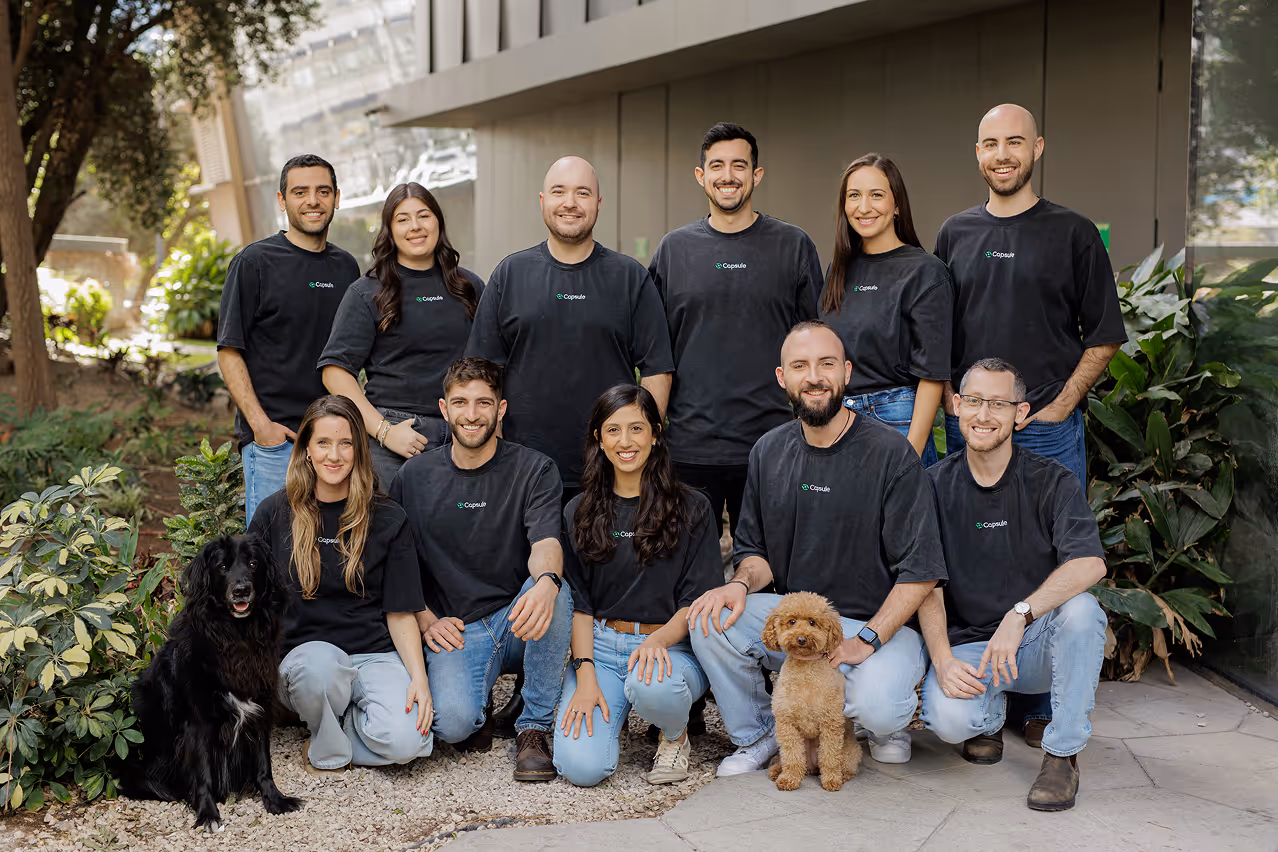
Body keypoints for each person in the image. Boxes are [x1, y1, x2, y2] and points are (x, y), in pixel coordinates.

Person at [935, 103, 1125, 744]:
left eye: (1015, 142)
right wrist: (953, 415)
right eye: (990, 143)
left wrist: (1063, 404)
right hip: (973, 426)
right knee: (977, 555)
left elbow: (1103, 334)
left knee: (1050, 558)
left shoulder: (1072, 232)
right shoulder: (954, 233)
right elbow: (939, 339)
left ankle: (1040, 704)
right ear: (977, 152)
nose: (1002, 154)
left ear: (1038, 147)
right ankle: (989, 689)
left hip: (1045, 423)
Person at [688, 321, 947, 774]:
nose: (815, 376)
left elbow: (921, 570)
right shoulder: (768, 452)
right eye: (800, 365)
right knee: (711, 620)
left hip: (879, 625)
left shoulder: (891, 453)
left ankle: (881, 723)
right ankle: (766, 733)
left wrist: (865, 640)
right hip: (802, 622)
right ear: (782, 377)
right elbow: (757, 554)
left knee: (879, 708)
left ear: (846, 372)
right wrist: (741, 584)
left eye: (827, 364)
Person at [919, 358, 1108, 811]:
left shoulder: (1051, 480)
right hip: (970, 648)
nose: (984, 415)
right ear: (957, 406)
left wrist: (1019, 614)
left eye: (998, 404)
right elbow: (923, 580)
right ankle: (988, 718)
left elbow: (1090, 564)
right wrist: (943, 659)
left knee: (1084, 612)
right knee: (947, 722)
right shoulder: (931, 485)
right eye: (975, 401)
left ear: (1020, 414)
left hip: (1031, 642)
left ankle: (1062, 755)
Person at [389, 357, 572, 782]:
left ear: (501, 409)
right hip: (457, 628)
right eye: (460, 402)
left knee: (555, 591)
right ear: (443, 408)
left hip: (517, 619)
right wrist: (424, 618)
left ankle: (534, 727)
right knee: (452, 724)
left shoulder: (535, 469)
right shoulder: (413, 477)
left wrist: (546, 582)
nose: (471, 415)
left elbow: (546, 542)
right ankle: (481, 701)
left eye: (483, 403)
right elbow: (397, 566)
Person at [465, 156, 675, 499]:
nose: (570, 203)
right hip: (524, 471)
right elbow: (481, 374)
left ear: (598, 203)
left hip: (613, 471)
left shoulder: (630, 277)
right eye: (559, 191)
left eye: (583, 192)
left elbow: (657, 370)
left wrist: (639, 449)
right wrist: (497, 454)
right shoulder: (510, 275)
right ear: (542, 200)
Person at [648, 123, 820, 539]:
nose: (728, 175)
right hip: (689, 448)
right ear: (701, 175)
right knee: (686, 576)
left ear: (756, 175)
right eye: (717, 166)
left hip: (772, 446)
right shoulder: (673, 250)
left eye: (739, 165)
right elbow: (654, 352)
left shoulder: (793, 246)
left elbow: (816, 342)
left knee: (772, 573)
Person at [249, 395, 433, 773]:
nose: (334, 455)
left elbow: (399, 611)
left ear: (359, 451)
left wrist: (419, 678)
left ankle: (330, 735)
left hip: (372, 654)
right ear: (306, 451)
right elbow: (251, 602)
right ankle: (328, 734)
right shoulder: (274, 513)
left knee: (406, 742)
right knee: (320, 666)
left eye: (346, 443)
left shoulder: (388, 517)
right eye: (323, 443)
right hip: (304, 661)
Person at [553, 385, 721, 787]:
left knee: (651, 685)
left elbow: (697, 601)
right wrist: (587, 675)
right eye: (613, 430)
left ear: (655, 433)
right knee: (582, 768)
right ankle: (617, 706)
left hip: (670, 648)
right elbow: (579, 603)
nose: (625, 442)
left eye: (636, 428)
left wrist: (657, 641)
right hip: (602, 649)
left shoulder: (693, 507)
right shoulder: (578, 510)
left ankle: (674, 734)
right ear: (599, 438)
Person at [219, 154, 361, 525]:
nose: (313, 200)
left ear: (336, 197)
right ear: (282, 201)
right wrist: (261, 427)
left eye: (322, 191)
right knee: (267, 556)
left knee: (328, 551)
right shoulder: (254, 262)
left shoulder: (346, 267)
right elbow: (229, 352)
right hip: (276, 440)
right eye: (300, 192)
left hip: (333, 441)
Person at [319, 182, 484, 485]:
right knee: (397, 531)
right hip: (398, 438)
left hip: (466, 430)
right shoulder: (367, 291)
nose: (416, 227)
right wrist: (385, 432)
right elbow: (334, 372)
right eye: (403, 219)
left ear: (438, 222)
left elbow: (492, 360)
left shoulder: (468, 287)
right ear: (389, 231)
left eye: (424, 215)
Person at [819, 153, 951, 467]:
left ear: (897, 206)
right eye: (854, 195)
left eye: (876, 195)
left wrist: (911, 453)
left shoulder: (925, 272)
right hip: (839, 421)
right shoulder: (838, 270)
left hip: (897, 422)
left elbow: (931, 375)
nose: (863, 207)